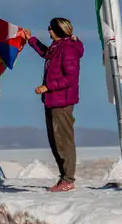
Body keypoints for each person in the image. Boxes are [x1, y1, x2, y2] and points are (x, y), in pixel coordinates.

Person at [23, 18, 84, 192]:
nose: (48, 30)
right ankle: (63, 177)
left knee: (63, 140)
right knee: (55, 140)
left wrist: (47, 87)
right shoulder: (57, 47)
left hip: (62, 101)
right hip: (52, 100)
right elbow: (46, 54)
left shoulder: (69, 49)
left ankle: (68, 179)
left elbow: (70, 78)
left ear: (58, 30)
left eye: (50, 28)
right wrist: (31, 40)